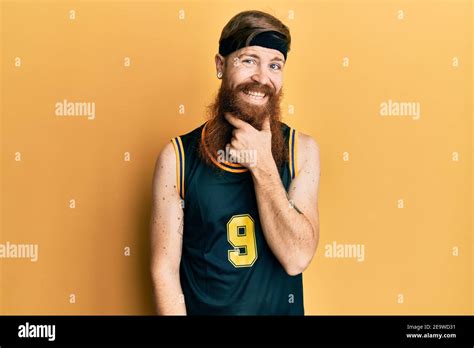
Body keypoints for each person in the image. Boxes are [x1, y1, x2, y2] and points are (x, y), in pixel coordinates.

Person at [150, 10, 321, 315]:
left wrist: (262, 165)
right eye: (248, 60)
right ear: (220, 65)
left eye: (274, 65)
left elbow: (296, 259)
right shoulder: (176, 158)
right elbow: (165, 271)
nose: (261, 78)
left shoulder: (302, 151)